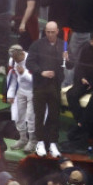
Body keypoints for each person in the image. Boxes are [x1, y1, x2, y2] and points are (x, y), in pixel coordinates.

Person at [28, 22, 65, 158]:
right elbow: (29, 62)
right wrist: (41, 72)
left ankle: (53, 142)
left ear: (57, 31)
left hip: (55, 85)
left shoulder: (63, 45)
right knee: (39, 114)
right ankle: (40, 142)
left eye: (52, 32)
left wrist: (68, 59)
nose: (50, 34)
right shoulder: (37, 45)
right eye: (47, 32)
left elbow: (70, 64)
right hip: (40, 84)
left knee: (55, 114)